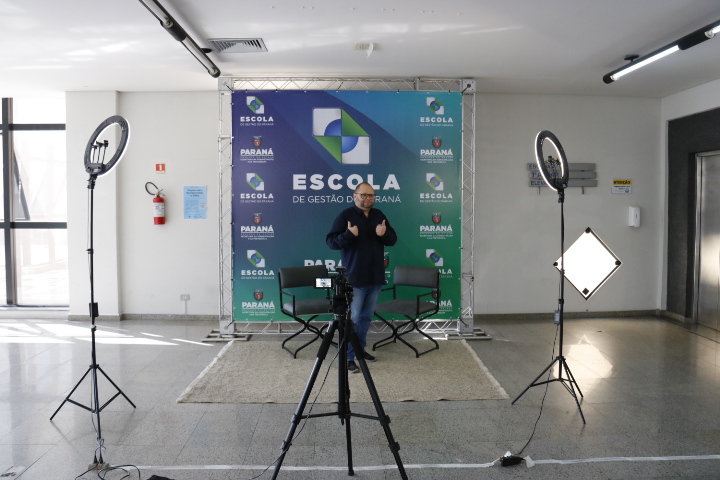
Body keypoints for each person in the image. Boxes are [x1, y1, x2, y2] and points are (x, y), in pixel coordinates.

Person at [326, 182, 397, 373]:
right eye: (364, 195)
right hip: (354, 277)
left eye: (371, 195)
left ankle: (360, 351)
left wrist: (384, 234)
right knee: (353, 318)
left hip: (375, 276)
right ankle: (348, 357)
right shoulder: (345, 216)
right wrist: (348, 235)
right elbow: (331, 242)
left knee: (365, 318)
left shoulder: (379, 215)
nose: (368, 198)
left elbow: (392, 240)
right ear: (355, 196)